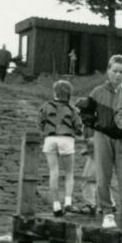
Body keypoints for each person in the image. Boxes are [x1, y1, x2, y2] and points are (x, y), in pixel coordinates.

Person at [86, 55, 122, 230]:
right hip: (102, 137)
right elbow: (86, 113)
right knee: (103, 177)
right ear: (108, 71)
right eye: (115, 71)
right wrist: (92, 130)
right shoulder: (97, 92)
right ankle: (107, 212)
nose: (118, 75)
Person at [39, 80, 83, 216]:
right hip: (66, 138)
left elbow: (40, 123)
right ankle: (68, 202)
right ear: (69, 94)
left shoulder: (45, 106)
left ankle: (56, 205)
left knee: (54, 172)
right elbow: (78, 127)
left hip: (50, 138)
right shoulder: (72, 109)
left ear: (55, 92)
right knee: (69, 173)